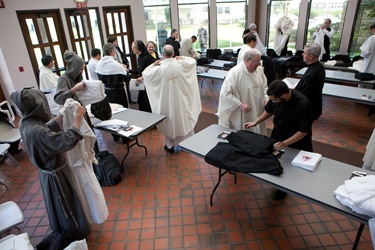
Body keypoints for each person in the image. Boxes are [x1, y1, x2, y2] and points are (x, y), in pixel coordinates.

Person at [10, 88, 91, 248]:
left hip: (48, 172)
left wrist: (61, 115)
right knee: (66, 204)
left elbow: (47, 130)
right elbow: (65, 141)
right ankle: (73, 234)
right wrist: (78, 118)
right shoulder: (35, 130)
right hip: (55, 174)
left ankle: (66, 229)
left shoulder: (26, 121)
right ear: (38, 106)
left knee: (60, 204)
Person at [244, 80, 313, 200]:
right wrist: (256, 122)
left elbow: (303, 131)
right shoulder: (275, 98)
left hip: (296, 141)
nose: (273, 102)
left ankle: (284, 189)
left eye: (275, 100)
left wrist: (285, 143)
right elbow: (269, 111)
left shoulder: (303, 104)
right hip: (279, 135)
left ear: (284, 96)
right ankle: (278, 183)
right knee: (277, 161)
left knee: (291, 167)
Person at [142, 45, 202, 153]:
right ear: (173, 53)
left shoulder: (159, 68)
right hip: (181, 100)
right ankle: (187, 143)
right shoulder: (181, 64)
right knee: (184, 119)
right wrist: (182, 58)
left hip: (167, 102)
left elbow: (145, 74)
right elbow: (192, 61)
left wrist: (152, 65)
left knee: (170, 121)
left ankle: (170, 146)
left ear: (163, 55)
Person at [217, 49, 268, 135]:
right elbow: (225, 94)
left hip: (258, 108)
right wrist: (240, 105)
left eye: (259, 61)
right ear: (247, 60)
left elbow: (265, 87)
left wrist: (266, 98)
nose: (259, 64)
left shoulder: (259, 70)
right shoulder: (234, 73)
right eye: (257, 61)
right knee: (243, 134)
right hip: (242, 111)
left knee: (257, 133)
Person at [295, 43, 325, 121]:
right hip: (314, 105)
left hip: (308, 108)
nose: (302, 54)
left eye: (304, 53)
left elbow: (305, 94)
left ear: (311, 56)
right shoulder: (319, 67)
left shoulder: (312, 73)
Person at [96, 43, 129, 108]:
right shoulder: (116, 64)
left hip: (107, 91)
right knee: (122, 110)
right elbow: (126, 78)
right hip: (118, 92)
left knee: (111, 110)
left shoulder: (99, 64)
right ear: (112, 51)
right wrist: (124, 69)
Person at [129, 40, 155, 112]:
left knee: (147, 104)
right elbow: (140, 71)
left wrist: (143, 77)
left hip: (147, 84)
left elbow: (151, 72)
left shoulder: (147, 58)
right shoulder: (140, 57)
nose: (132, 49)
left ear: (139, 48)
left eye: (134, 47)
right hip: (143, 83)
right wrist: (129, 70)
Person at [107, 35, 133, 103]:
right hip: (117, 73)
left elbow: (122, 56)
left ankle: (129, 99)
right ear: (111, 43)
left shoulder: (117, 48)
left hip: (122, 68)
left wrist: (126, 62)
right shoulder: (108, 53)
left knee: (126, 87)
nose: (117, 43)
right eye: (115, 42)